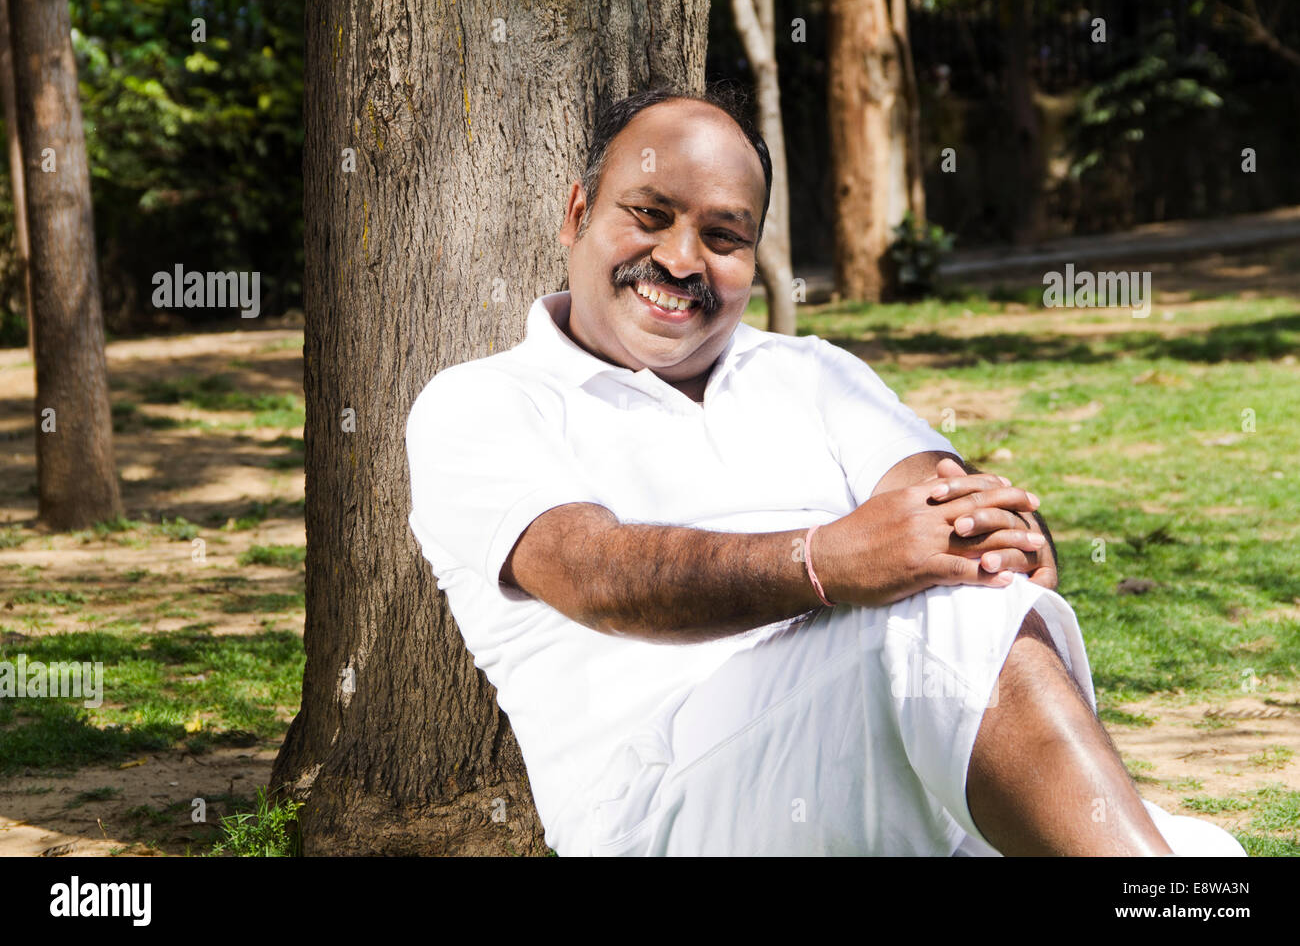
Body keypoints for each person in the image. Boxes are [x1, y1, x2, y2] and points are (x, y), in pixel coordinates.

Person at [405, 87, 1246, 857]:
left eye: (724, 236)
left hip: (872, 770)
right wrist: (825, 561)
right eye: (650, 214)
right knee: (943, 616)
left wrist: (1006, 537)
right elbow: (593, 574)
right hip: (662, 809)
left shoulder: (809, 372)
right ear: (578, 213)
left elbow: (946, 500)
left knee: (1205, 856)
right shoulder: (480, 403)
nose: (683, 259)